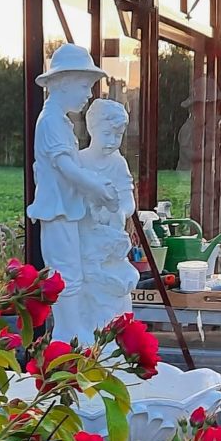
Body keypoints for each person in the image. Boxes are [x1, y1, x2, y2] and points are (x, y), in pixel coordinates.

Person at [29, 44, 113, 343]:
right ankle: (67, 333)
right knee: (66, 273)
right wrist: (96, 188)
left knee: (72, 271)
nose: (89, 94)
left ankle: (73, 329)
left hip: (66, 210)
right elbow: (66, 167)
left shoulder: (59, 120)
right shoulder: (50, 121)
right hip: (57, 211)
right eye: (84, 86)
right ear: (62, 84)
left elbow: (73, 166)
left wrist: (96, 184)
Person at [75, 99, 139, 338]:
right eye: (107, 134)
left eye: (118, 135)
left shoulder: (118, 163)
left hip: (111, 242)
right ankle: (90, 340)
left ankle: (114, 341)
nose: (112, 142)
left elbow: (127, 202)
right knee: (90, 297)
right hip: (87, 244)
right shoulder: (79, 162)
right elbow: (72, 203)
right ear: (91, 128)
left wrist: (117, 212)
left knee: (117, 296)